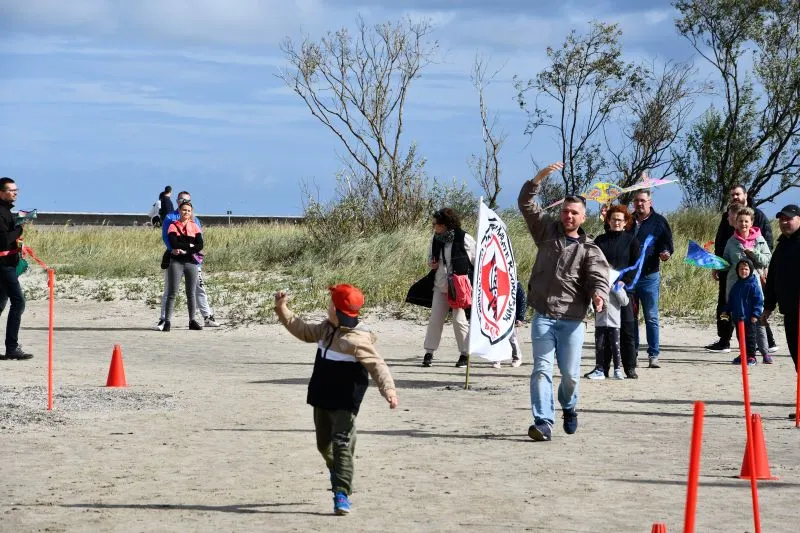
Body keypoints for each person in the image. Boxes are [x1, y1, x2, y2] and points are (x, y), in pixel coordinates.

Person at [273, 284, 398, 515]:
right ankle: (337, 471)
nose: (328, 306)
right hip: (321, 396)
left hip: (345, 402)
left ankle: (342, 493)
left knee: (342, 445)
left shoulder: (358, 340)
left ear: (338, 311)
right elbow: (303, 330)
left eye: (331, 303)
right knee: (324, 445)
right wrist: (282, 309)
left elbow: (377, 366)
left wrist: (388, 390)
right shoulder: (326, 328)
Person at [518, 162, 610, 441]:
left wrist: (598, 295)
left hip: (572, 320)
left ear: (583, 217)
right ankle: (543, 422)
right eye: (565, 211)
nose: (568, 216)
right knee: (541, 370)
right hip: (543, 315)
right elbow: (526, 204)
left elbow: (599, 277)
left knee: (570, 376)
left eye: (574, 213)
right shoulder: (546, 231)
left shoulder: (590, 248)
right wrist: (539, 177)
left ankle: (569, 406)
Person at [706, 184, 775, 353]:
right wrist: (715, 264)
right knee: (726, 308)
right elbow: (721, 242)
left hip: (753, 277)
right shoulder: (727, 222)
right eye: (732, 195)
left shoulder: (757, 216)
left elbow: (767, 245)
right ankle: (725, 340)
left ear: (746, 195)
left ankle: (767, 344)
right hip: (731, 275)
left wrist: (759, 261)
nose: (735, 197)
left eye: (738, 194)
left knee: (754, 312)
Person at [153, 191, 220, 330]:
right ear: (177, 201)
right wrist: (174, 249)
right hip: (175, 257)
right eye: (182, 200)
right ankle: (164, 320)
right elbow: (167, 237)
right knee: (170, 290)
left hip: (192, 259)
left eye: (187, 200)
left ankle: (206, 316)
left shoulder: (195, 220)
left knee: (198, 288)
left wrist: (189, 250)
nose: (185, 203)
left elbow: (199, 241)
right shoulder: (170, 218)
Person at [421, 208, 476, 368]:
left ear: (446, 224)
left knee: (459, 320)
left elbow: (476, 260)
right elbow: (430, 258)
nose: (434, 227)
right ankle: (429, 352)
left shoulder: (464, 238)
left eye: (436, 224)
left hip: (458, 287)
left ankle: (465, 354)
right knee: (435, 320)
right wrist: (432, 263)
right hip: (440, 285)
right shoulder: (435, 239)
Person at [593, 204, 641, 378]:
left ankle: (630, 367)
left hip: (624, 291)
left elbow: (636, 265)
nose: (617, 222)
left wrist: (624, 281)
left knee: (627, 329)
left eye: (620, 220)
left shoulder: (632, 241)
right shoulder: (600, 241)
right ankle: (603, 367)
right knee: (604, 330)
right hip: (604, 290)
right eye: (614, 219)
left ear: (626, 222)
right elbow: (593, 263)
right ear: (608, 220)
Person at [628, 190, 673, 369]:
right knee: (631, 317)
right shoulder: (628, 220)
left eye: (642, 200)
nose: (639, 204)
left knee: (651, 317)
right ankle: (632, 354)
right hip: (630, 277)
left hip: (649, 276)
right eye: (636, 201)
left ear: (650, 202)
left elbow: (667, 243)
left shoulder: (659, 221)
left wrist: (666, 253)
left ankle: (653, 355)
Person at [722, 205, 772, 364]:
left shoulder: (759, 240)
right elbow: (726, 261)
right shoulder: (731, 241)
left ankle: (764, 353)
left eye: (746, 221)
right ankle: (745, 353)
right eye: (740, 221)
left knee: (757, 321)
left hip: (753, 285)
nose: (743, 224)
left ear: (751, 222)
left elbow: (767, 260)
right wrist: (716, 266)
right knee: (740, 322)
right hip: (735, 286)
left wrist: (753, 253)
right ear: (736, 222)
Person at [763, 204, 800, 378]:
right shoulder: (782, 245)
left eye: (788, 219)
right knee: (796, 354)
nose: (784, 222)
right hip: (790, 310)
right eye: (782, 219)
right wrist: (768, 306)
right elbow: (773, 277)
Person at [0, 177, 32, 360]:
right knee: (18, 302)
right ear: (1, 192)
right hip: (3, 265)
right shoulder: (0, 212)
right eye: (11, 190)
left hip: (8, 263)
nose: (15, 193)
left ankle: (11, 348)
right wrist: (20, 229)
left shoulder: (6, 211)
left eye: (16, 190)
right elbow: (3, 240)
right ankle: (12, 348)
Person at [163, 200, 204, 332]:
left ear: (191, 213)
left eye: (189, 210)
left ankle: (192, 321)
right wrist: (190, 245)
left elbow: (200, 245)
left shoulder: (195, 226)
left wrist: (186, 250)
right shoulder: (173, 225)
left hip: (191, 263)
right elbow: (174, 243)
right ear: (179, 211)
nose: (186, 212)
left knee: (191, 293)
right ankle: (167, 321)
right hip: (176, 262)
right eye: (184, 210)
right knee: (172, 293)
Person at [585, 270, 629, 380]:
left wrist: (616, 289)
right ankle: (599, 369)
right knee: (599, 346)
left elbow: (625, 302)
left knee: (615, 346)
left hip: (614, 323)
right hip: (600, 322)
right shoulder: (598, 288)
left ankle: (617, 370)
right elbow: (591, 299)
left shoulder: (617, 287)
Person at [722, 258, 763, 367]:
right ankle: (743, 354)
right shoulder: (736, 285)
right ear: (737, 270)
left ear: (750, 270)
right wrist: (726, 310)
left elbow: (758, 301)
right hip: (738, 317)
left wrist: (756, 314)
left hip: (749, 318)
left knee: (750, 338)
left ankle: (751, 356)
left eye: (746, 269)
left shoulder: (753, 285)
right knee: (740, 337)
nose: (743, 271)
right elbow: (731, 300)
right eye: (741, 269)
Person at [493, 281, 526, 369]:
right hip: (498, 315)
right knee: (497, 337)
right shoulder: (496, 282)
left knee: (512, 338)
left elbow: (522, 301)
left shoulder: (516, 284)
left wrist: (520, 317)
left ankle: (517, 358)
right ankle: (497, 359)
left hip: (511, 315)